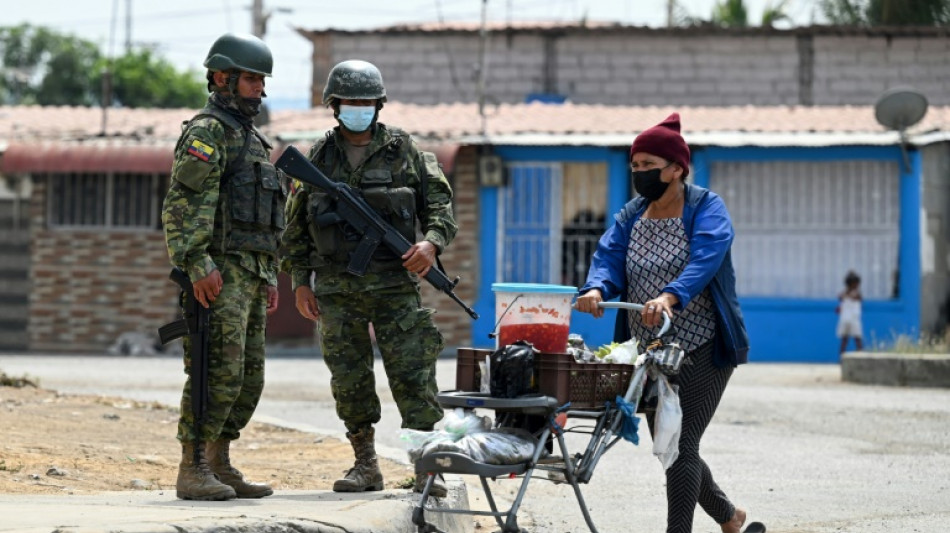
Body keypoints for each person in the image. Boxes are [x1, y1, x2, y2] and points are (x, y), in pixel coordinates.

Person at [281, 60, 458, 497]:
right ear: (334, 105)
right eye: (348, 102)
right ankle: (365, 464)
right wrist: (300, 280)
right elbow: (297, 226)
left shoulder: (406, 151)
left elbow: (440, 208)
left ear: (378, 105)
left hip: (395, 285)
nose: (357, 109)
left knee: (414, 373)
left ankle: (426, 465)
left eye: (365, 102)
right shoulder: (316, 158)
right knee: (349, 377)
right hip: (338, 289)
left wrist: (431, 245)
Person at [574, 113, 753, 533]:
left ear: (676, 169)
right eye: (635, 166)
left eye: (649, 165)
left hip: (704, 346)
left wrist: (669, 296)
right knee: (672, 444)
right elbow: (608, 258)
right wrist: (597, 289)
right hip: (650, 351)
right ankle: (729, 517)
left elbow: (705, 260)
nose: (640, 174)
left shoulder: (707, 208)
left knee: (680, 444)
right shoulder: (631, 215)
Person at [162, 32, 283, 501]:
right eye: (250, 78)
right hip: (217, 274)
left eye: (261, 79)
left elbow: (264, 216)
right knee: (215, 372)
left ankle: (219, 461)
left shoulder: (250, 138)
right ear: (221, 76)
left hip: (250, 276)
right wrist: (196, 263)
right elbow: (183, 205)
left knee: (248, 377)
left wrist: (269, 273)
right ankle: (192, 467)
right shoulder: (207, 132)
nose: (258, 87)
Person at [837, 270, 864, 355]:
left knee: (857, 338)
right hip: (845, 319)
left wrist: (848, 295)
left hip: (854, 319)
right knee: (844, 339)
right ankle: (842, 357)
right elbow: (840, 297)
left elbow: (856, 298)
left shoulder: (857, 294)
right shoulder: (844, 293)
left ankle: (860, 355)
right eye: (854, 283)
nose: (856, 285)